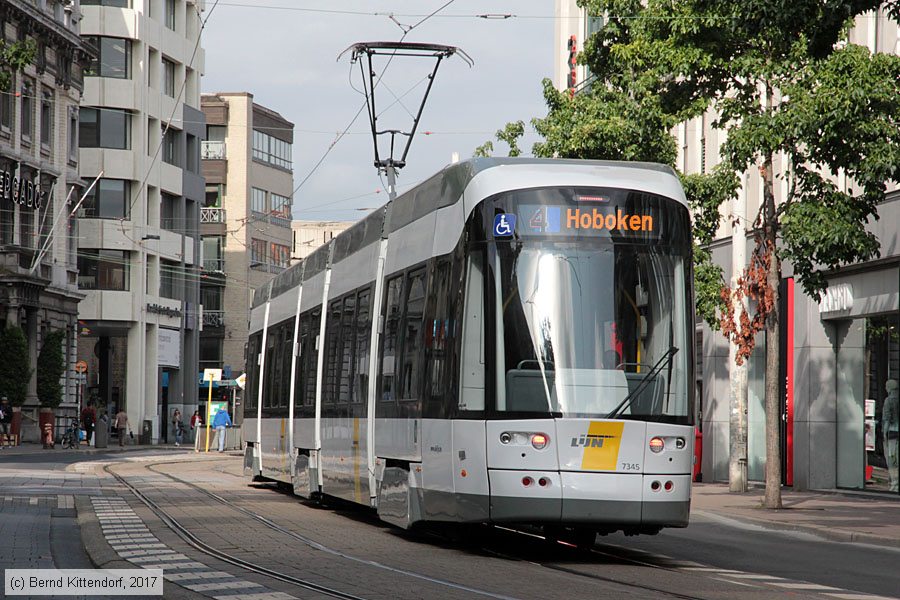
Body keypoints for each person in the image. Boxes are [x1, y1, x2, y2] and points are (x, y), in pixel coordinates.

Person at [883, 379, 899, 493]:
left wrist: (884, 433)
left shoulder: (888, 401)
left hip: (892, 433)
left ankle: (894, 484)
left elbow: (887, 419)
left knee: (892, 460)